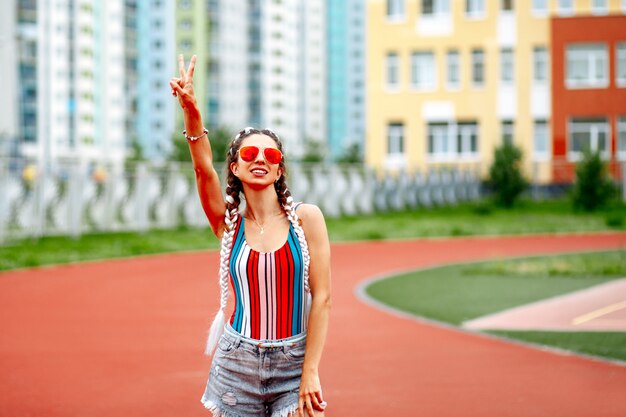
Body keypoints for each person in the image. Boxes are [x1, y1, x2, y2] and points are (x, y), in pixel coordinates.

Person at [170, 54, 331, 417]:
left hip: (294, 363)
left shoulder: (307, 219)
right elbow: (200, 169)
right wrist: (192, 110)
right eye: (250, 153)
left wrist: (310, 372)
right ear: (235, 166)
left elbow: (322, 299)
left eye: (271, 154)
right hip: (236, 362)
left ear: (279, 169)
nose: (261, 158)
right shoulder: (229, 224)